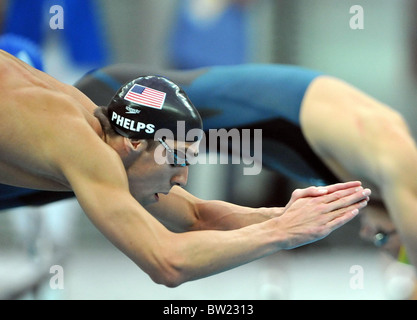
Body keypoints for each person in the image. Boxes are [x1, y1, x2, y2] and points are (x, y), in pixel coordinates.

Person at [0, 50, 370, 287]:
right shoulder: (79, 144)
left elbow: (197, 216)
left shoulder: (103, 133)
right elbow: (167, 262)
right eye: (175, 159)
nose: (182, 177)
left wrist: (291, 215)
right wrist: (280, 232)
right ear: (134, 143)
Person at [74, 63, 417, 276]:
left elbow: (196, 216)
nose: (368, 236)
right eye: (384, 238)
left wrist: (284, 220)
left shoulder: (366, 166)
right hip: (127, 93)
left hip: (152, 111)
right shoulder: (396, 157)